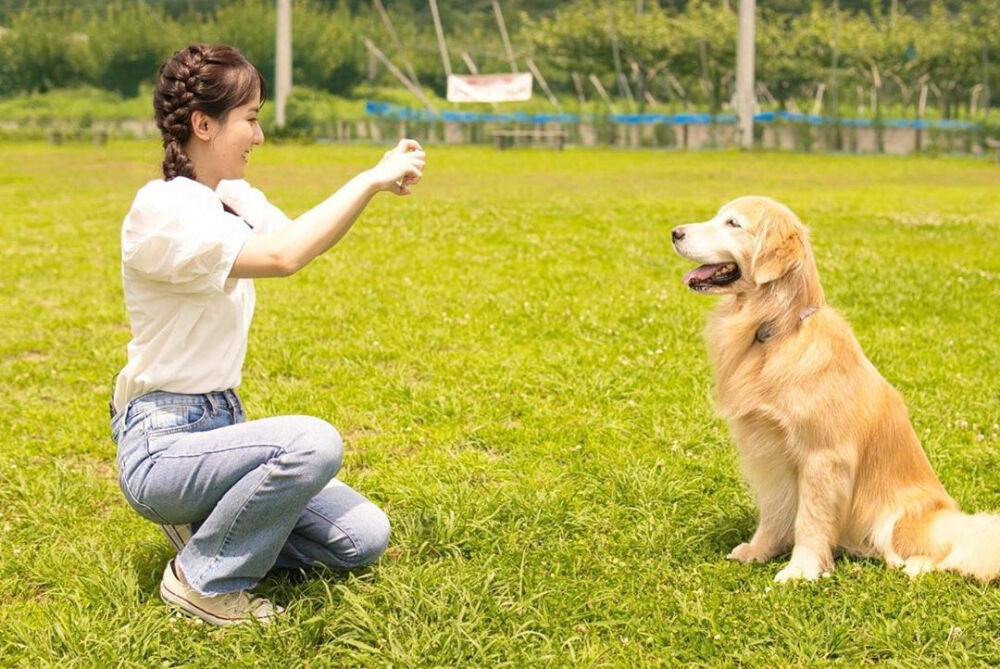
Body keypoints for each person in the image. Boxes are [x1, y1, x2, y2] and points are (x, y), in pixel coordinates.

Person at [109, 43, 425, 626]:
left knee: (362, 537)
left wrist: (376, 182)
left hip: (221, 427)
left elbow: (302, 235)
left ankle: (212, 528)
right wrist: (369, 178)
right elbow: (283, 256)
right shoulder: (162, 210)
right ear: (203, 124)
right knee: (313, 442)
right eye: (250, 119)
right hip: (162, 445)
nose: (259, 137)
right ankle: (200, 582)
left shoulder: (231, 197)